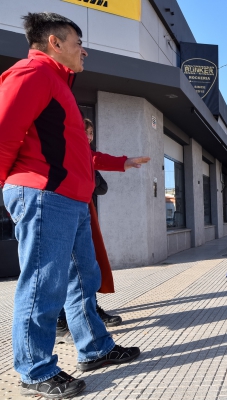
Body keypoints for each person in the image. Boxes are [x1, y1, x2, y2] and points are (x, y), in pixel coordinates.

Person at [0, 13, 140, 398]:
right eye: (79, 44)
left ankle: (95, 349)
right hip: (45, 195)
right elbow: (2, 133)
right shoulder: (31, 74)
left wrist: (118, 163)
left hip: (71, 200)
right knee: (44, 284)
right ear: (54, 43)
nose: (85, 52)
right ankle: (34, 369)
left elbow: (77, 153)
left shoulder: (58, 84)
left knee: (83, 281)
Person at [56, 119, 149, 344]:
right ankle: (63, 325)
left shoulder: (80, 151)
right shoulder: (60, 144)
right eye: (84, 131)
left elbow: (95, 159)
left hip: (81, 211)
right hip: (62, 210)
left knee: (84, 268)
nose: (88, 136)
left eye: (91, 132)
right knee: (62, 270)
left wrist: (123, 162)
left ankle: (88, 324)